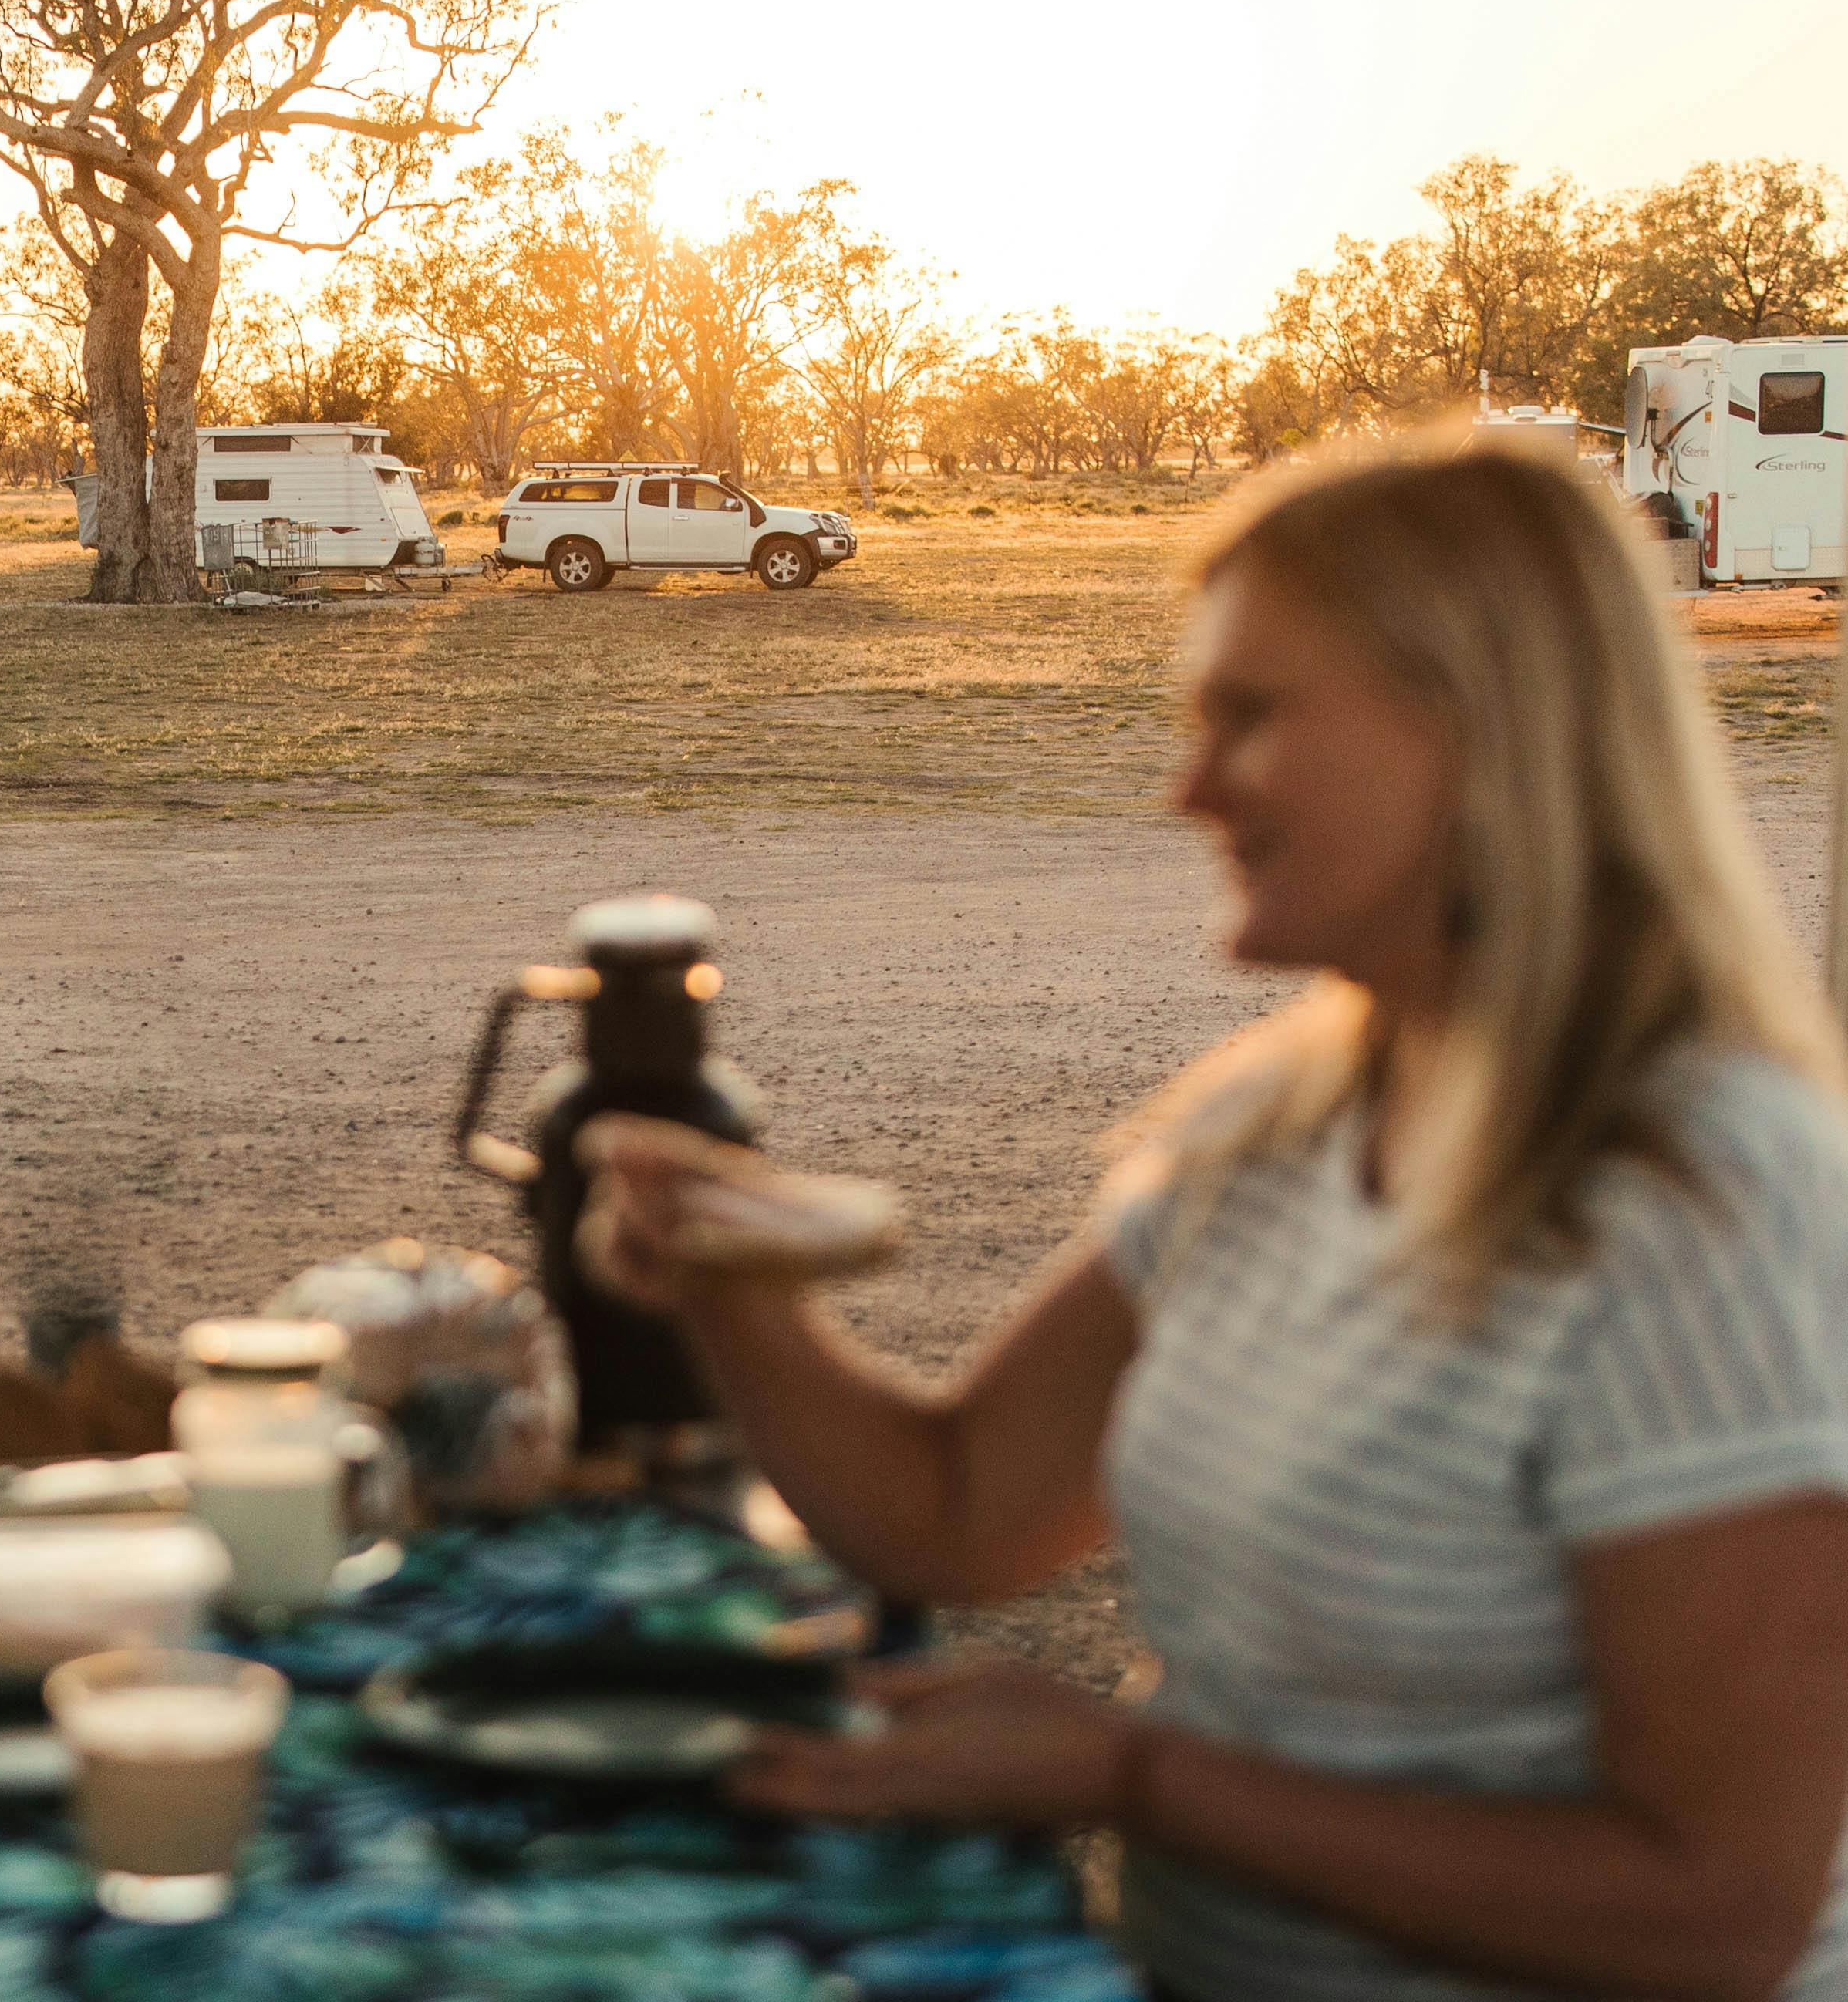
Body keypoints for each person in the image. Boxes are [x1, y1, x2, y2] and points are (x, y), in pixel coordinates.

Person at [587, 437, 1848, 2000]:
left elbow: (1717, 1918)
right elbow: (961, 1506)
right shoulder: (1281, 1119)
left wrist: (1134, 1779)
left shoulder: (1706, 1195)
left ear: (1478, 720)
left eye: (1248, 715)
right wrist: (731, 1290)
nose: (1186, 788)